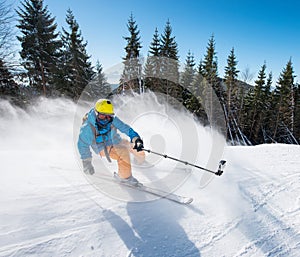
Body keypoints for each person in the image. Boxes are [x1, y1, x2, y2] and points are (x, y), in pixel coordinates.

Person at [77, 99, 145, 185]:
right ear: (96, 113)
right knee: (123, 152)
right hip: (102, 147)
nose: (106, 119)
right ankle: (125, 178)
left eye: (108, 116)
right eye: (103, 116)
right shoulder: (88, 127)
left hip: (116, 141)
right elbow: (82, 144)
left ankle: (140, 160)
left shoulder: (112, 120)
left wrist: (136, 138)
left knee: (135, 146)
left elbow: (125, 128)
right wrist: (86, 162)